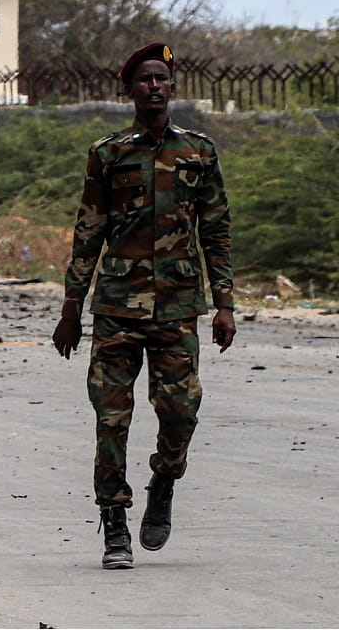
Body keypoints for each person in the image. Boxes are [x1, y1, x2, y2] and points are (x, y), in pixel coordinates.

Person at [52, 42, 234, 571]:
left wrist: (224, 304)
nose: (154, 86)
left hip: (178, 308)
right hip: (116, 309)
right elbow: (88, 233)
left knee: (181, 412)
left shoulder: (199, 151)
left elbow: (216, 231)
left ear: (172, 86)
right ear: (129, 90)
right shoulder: (108, 154)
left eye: (161, 78)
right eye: (144, 79)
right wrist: (71, 309)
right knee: (111, 419)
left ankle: (164, 479)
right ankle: (114, 523)